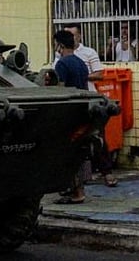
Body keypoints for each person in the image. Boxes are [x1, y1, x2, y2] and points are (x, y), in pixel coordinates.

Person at [62, 23, 117, 187]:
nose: (70, 38)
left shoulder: (88, 53)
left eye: (73, 34)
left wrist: (80, 76)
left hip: (89, 99)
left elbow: (99, 74)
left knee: (97, 137)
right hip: (71, 100)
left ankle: (107, 173)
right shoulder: (61, 55)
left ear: (79, 36)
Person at [53, 30, 90, 204]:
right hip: (83, 112)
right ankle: (74, 188)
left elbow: (60, 90)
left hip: (69, 115)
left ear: (60, 45)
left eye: (55, 44)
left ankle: (77, 192)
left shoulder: (61, 64)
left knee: (68, 154)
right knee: (78, 153)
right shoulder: (81, 62)